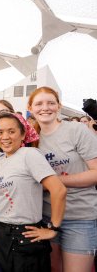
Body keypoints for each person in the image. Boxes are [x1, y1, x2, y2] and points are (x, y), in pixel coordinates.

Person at [0, 113, 66, 272]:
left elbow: (59, 190)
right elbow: (3, 201)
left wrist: (53, 229)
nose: (5, 137)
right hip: (1, 233)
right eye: (0, 132)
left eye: (11, 131)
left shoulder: (30, 155)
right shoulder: (0, 161)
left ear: (23, 134)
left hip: (24, 237)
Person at [27, 87, 97, 272]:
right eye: (39, 103)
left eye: (51, 103)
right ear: (30, 108)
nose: (45, 108)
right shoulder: (30, 138)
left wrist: (54, 181)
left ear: (59, 106)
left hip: (79, 217)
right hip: (45, 217)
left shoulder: (77, 130)